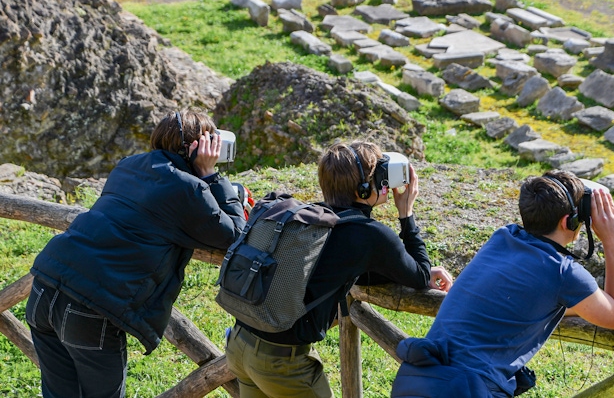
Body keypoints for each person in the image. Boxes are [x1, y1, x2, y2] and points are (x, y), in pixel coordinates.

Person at [26, 110, 250, 398]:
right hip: (89, 307)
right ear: (197, 147)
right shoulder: (188, 187)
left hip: (45, 287)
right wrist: (210, 174)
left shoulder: (128, 165)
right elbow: (235, 235)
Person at [224, 140, 454, 398]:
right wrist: (406, 213)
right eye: (379, 175)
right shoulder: (370, 235)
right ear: (364, 189)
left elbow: (359, 270)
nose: (384, 181)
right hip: (281, 364)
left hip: (239, 344)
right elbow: (420, 276)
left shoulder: (316, 219)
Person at [391, 169, 614, 398]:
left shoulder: (502, 237)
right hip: (467, 388)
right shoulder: (562, 272)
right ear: (568, 222)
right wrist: (613, 240)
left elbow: (523, 302)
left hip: (416, 380)